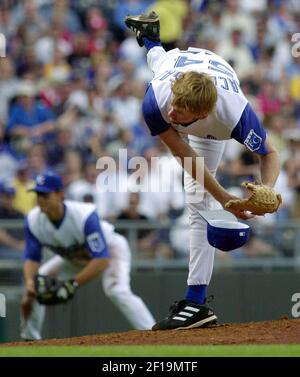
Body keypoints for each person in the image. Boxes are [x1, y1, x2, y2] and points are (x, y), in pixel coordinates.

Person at [124, 12, 281, 330]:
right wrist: (224, 198)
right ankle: (151, 38)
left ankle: (195, 302)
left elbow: (270, 153)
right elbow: (184, 153)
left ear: (200, 114)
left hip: (218, 78)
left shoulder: (232, 114)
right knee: (201, 199)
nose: (171, 112)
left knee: (198, 206)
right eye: (173, 105)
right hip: (178, 65)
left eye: (179, 111)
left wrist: (269, 188)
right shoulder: (160, 100)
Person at [20, 171, 155, 340]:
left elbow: (101, 259)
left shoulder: (84, 215)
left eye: (45, 194)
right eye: (38, 194)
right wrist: (30, 284)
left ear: (60, 195)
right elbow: (31, 258)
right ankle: (30, 338)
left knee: (116, 290)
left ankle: (151, 333)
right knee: (39, 282)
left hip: (110, 251)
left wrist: (72, 284)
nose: (40, 199)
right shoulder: (33, 220)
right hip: (75, 258)